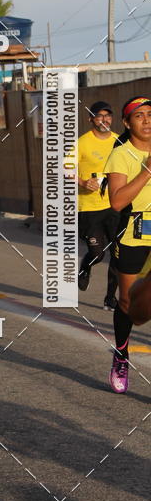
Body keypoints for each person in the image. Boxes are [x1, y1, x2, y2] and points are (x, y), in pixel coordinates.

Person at [106, 96, 151, 393]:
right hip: (134, 232)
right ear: (127, 123)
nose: (147, 120)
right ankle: (121, 354)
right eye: (139, 116)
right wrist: (148, 170)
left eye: (150, 114)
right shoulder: (121, 154)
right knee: (127, 303)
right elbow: (117, 201)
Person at [77, 101, 119, 310]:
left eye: (108, 115)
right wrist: (83, 182)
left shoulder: (119, 140)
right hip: (89, 208)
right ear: (91, 119)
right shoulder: (82, 143)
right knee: (98, 254)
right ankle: (86, 267)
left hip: (115, 206)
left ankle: (110, 298)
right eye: (100, 116)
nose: (105, 120)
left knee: (119, 254)